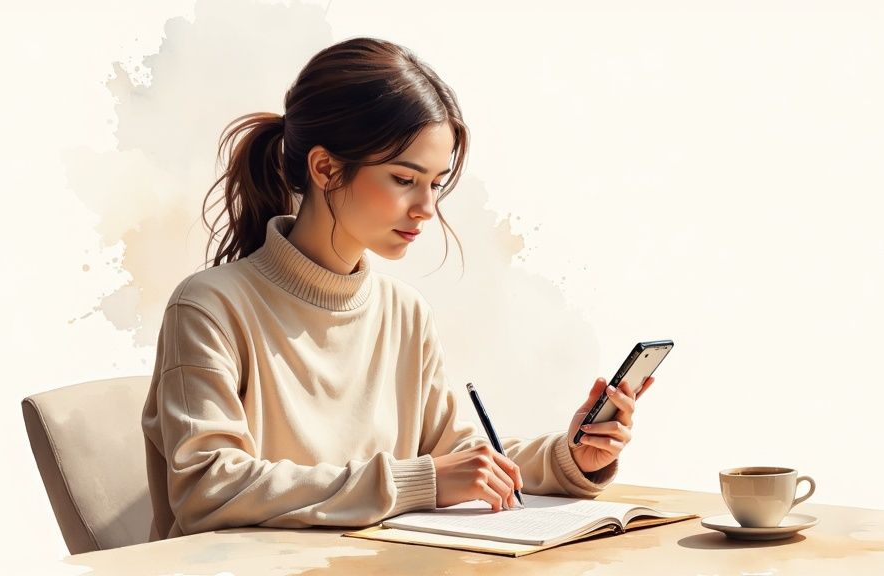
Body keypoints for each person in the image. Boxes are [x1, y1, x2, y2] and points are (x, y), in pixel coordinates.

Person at [141, 36, 652, 541]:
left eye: (435, 183)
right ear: (325, 168)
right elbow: (208, 489)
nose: (426, 208)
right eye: (404, 178)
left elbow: (463, 455)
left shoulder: (403, 312)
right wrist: (421, 480)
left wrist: (572, 456)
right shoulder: (208, 306)